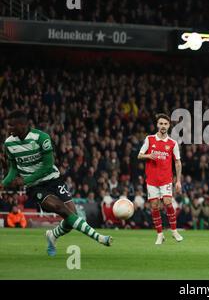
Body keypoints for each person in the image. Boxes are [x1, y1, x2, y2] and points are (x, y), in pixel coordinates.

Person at [0, 110, 112, 256]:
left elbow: (47, 167)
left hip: (53, 180)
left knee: (72, 216)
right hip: (35, 187)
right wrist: (4, 183)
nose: (8, 129)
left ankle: (52, 235)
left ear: (22, 125)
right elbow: (14, 169)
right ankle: (99, 237)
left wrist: (24, 179)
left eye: (11, 125)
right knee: (61, 208)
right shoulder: (9, 144)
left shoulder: (42, 138)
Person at [137, 113, 183, 244]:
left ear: (169, 126)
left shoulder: (173, 143)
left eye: (165, 124)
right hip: (152, 180)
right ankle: (160, 234)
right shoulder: (149, 139)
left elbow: (178, 163)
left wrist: (178, 181)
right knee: (154, 206)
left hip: (166, 179)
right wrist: (148, 156)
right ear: (157, 125)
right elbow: (139, 155)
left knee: (168, 203)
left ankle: (174, 231)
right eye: (161, 123)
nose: (163, 126)